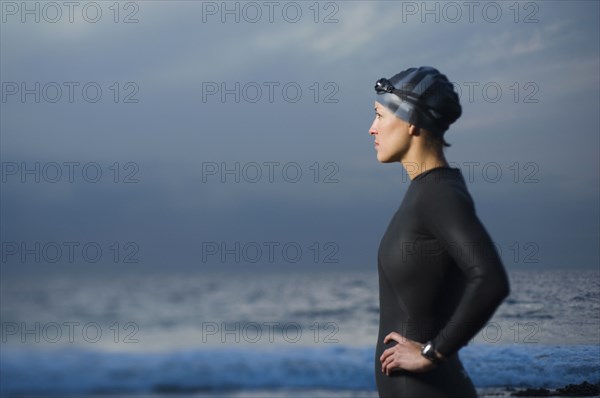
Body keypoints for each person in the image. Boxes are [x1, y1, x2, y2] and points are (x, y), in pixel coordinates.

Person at [369, 66, 510, 397]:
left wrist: (433, 354)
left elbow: (490, 280)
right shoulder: (428, 191)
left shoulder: (438, 194)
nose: (372, 129)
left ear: (412, 121)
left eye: (379, 115)